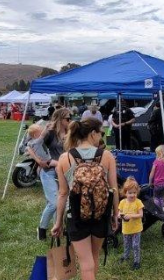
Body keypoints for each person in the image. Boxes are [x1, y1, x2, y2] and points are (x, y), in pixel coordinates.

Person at [52, 118, 119, 280]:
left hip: (75, 216)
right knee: (94, 257)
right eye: (101, 133)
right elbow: (114, 188)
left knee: (85, 262)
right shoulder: (107, 156)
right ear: (93, 133)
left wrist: (58, 222)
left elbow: (62, 194)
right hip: (101, 214)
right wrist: (115, 214)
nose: (101, 136)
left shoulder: (64, 158)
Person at [33, 109, 71, 240]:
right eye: (67, 118)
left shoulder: (69, 133)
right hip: (49, 172)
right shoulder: (50, 133)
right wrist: (44, 161)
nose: (70, 120)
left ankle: (58, 229)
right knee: (54, 203)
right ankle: (42, 228)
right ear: (60, 119)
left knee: (63, 202)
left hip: (64, 172)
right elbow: (33, 146)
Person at [117, 177, 144, 270]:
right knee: (126, 244)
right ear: (125, 193)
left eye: (134, 193)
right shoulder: (122, 202)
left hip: (136, 229)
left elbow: (141, 214)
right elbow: (118, 213)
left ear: (137, 193)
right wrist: (120, 215)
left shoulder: (138, 202)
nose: (132, 195)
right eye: (130, 193)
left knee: (135, 245)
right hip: (126, 229)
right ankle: (126, 256)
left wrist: (131, 216)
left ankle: (137, 261)